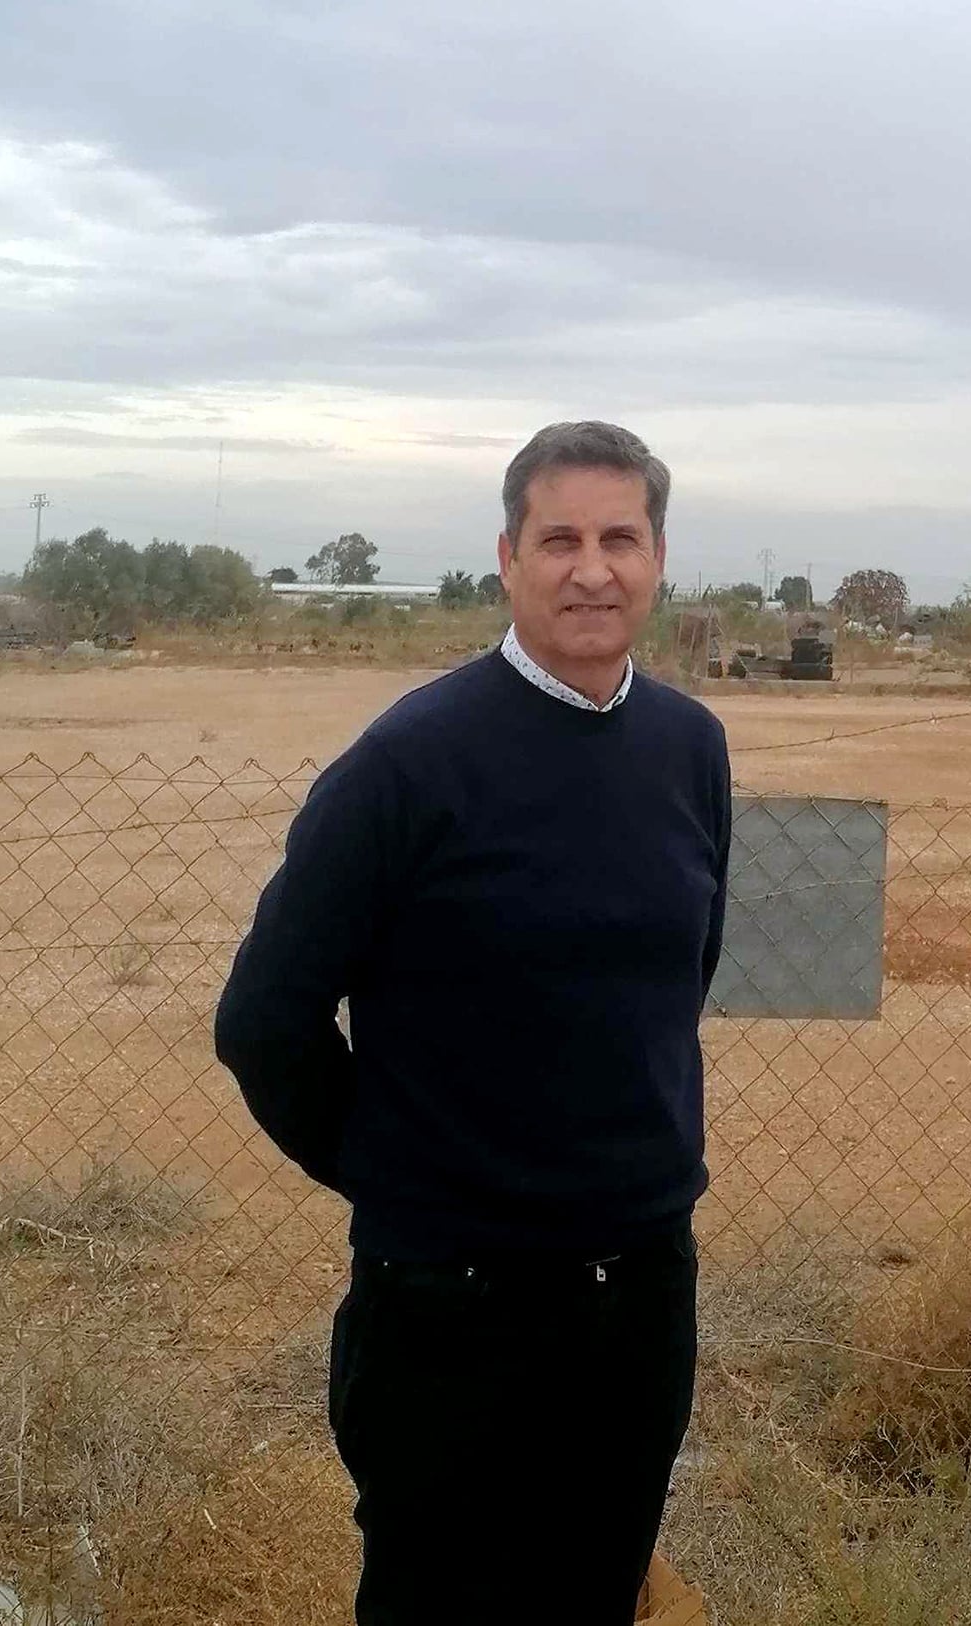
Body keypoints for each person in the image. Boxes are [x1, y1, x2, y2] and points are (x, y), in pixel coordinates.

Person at [214, 420, 729, 1624]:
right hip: (450, 1310)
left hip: (640, 1295)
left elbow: (674, 981)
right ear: (507, 557)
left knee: (600, 1592)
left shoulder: (688, 747)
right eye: (559, 538)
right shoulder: (409, 763)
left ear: (658, 557)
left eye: (620, 537)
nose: (590, 568)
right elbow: (265, 1020)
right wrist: (399, 1177)